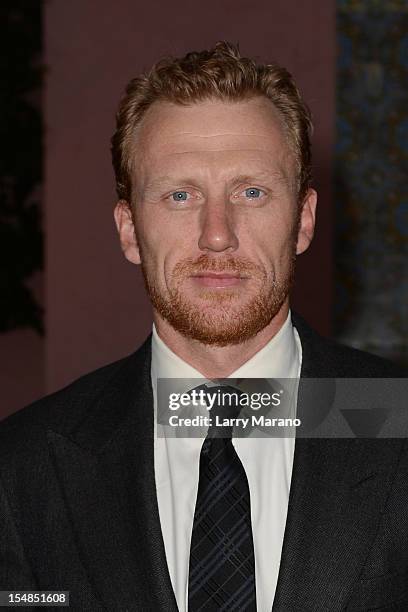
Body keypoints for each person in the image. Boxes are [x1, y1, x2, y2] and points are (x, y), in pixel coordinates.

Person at [0, 42, 407, 612]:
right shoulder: (20, 469)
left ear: (304, 221)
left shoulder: (398, 423)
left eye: (252, 191)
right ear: (128, 230)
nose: (218, 234)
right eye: (181, 195)